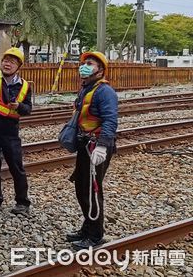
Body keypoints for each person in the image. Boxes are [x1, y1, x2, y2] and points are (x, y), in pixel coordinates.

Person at [66, 51, 118, 249]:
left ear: (101, 70)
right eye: (84, 63)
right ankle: (87, 228)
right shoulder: (87, 89)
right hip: (85, 146)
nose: (84, 66)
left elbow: (110, 120)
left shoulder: (104, 92)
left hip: (96, 147)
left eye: (90, 63)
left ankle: (95, 236)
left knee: (91, 190)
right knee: (82, 188)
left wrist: (103, 146)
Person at [0, 41, 33, 215]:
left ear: (19, 66)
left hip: (10, 132)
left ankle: (22, 202)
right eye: (5, 60)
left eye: (12, 62)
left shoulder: (25, 86)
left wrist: (19, 106)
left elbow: (28, 109)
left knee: (16, 167)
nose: (7, 64)